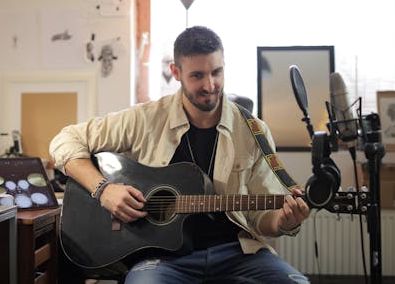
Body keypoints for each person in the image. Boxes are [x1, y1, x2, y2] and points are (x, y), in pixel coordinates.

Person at [50, 26, 311, 284]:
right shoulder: (145, 119)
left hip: (238, 252)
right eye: (197, 75)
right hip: (162, 259)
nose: (210, 85)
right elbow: (65, 141)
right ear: (176, 72)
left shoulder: (254, 132)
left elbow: (261, 217)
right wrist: (103, 190)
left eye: (216, 72)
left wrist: (283, 221)